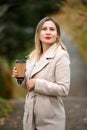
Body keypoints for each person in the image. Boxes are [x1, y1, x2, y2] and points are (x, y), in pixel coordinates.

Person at [12, 16, 70, 130]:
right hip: (30, 117)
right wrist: (21, 78)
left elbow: (64, 89)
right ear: (38, 34)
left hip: (50, 119)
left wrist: (37, 83)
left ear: (57, 34)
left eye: (52, 29)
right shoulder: (33, 56)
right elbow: (29, 86)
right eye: (44, 29)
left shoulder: (61, 55)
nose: (48, 32)